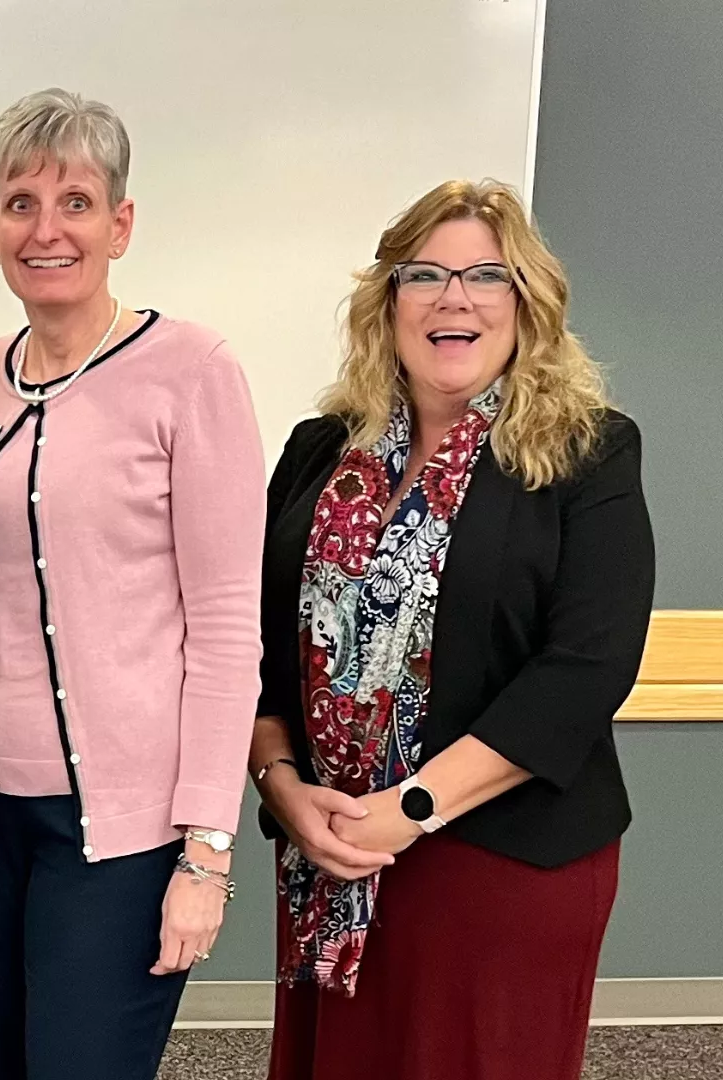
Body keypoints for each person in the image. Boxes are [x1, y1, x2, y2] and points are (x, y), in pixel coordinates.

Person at [0, 89, 266, 1080]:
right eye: (20, 203)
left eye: (75, 202)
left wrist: (207, 853)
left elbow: (229, 625)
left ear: (120, 224)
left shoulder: (193, 371)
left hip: (120, 833)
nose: (46, 229)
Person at [252, 179, 653, 1080]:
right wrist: (283, 788)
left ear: (528, 301)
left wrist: (412, 810)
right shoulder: (322, 451)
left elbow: (586, 669)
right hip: (333, 853)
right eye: (423, 274)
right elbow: (261, 650)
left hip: (499, 858)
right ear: (387, 302)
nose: (454, 298)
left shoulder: (587, 452)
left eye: (487, 275)